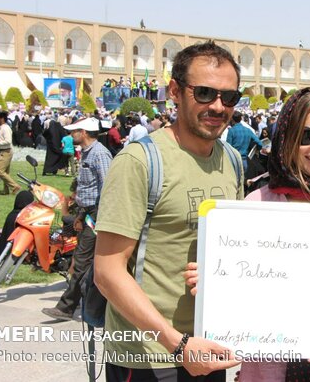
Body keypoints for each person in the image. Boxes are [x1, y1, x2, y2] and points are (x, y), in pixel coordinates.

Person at [185, 88, 310, 381]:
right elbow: (239, 307)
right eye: (306, 135)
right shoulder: (257, 206)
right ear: (287, 138)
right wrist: (216, 286)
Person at [93, 41, 243, 381]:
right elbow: (107, 272)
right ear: (175, 91)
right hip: (148, 357)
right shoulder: (140, 161)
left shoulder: (232, 161)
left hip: (207, 349)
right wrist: (176, 344)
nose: (218, 106)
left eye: (229, 97)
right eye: (204, 93)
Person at [42, 117, 112, 321]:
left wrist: (96, 217)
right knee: (85, 260)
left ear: (84, 133)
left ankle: (66, 307)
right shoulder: (88, 153)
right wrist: (80, 215)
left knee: (82, 260)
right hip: (88, 212)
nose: (71, 136)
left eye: (75, 132)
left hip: (97, 213)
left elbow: (107, 188)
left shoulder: (100, 154)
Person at [0, 111, 20, 195]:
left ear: (2, 119)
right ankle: (6, 190)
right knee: (5, 172)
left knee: (0, 172)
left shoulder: (5, 128)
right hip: (5, 151)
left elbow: (8, 141)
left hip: (6, 151)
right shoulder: (2, 127)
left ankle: (15, 186)